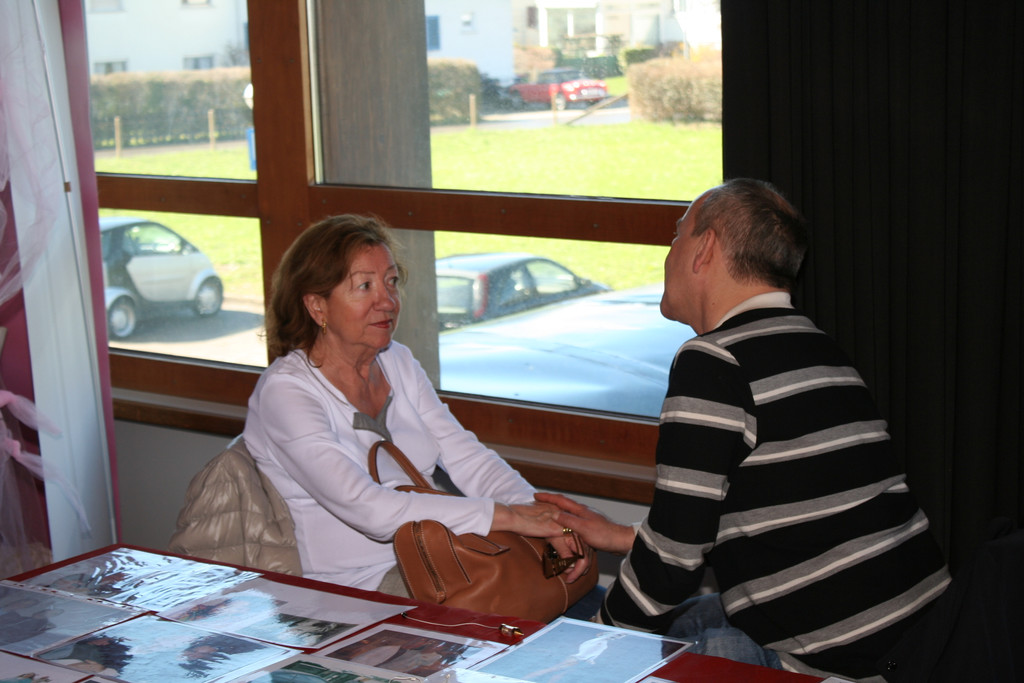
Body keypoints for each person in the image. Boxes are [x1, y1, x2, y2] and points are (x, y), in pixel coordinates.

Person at [538, 178, 950, 681]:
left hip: (844, 661)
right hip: (927, 635)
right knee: (687, 618)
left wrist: (587, 657)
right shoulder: (817, 346)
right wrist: (625, 536)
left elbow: (671, 569)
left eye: (676, 235)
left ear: (704, 248)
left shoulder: (714, 360)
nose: (669, 252)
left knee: (576, 638)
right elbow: (788, 523)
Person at [243, 214, 589, 598]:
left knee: (573, 593)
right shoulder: (286, 392)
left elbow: (466, 456)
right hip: (357, 588)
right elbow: (369, 509)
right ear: (316, 306)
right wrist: (507, 516)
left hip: (437, 561)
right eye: (365, 286)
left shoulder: (397, 361)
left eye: (391, 281)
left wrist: (541, 515)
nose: (387, 301)